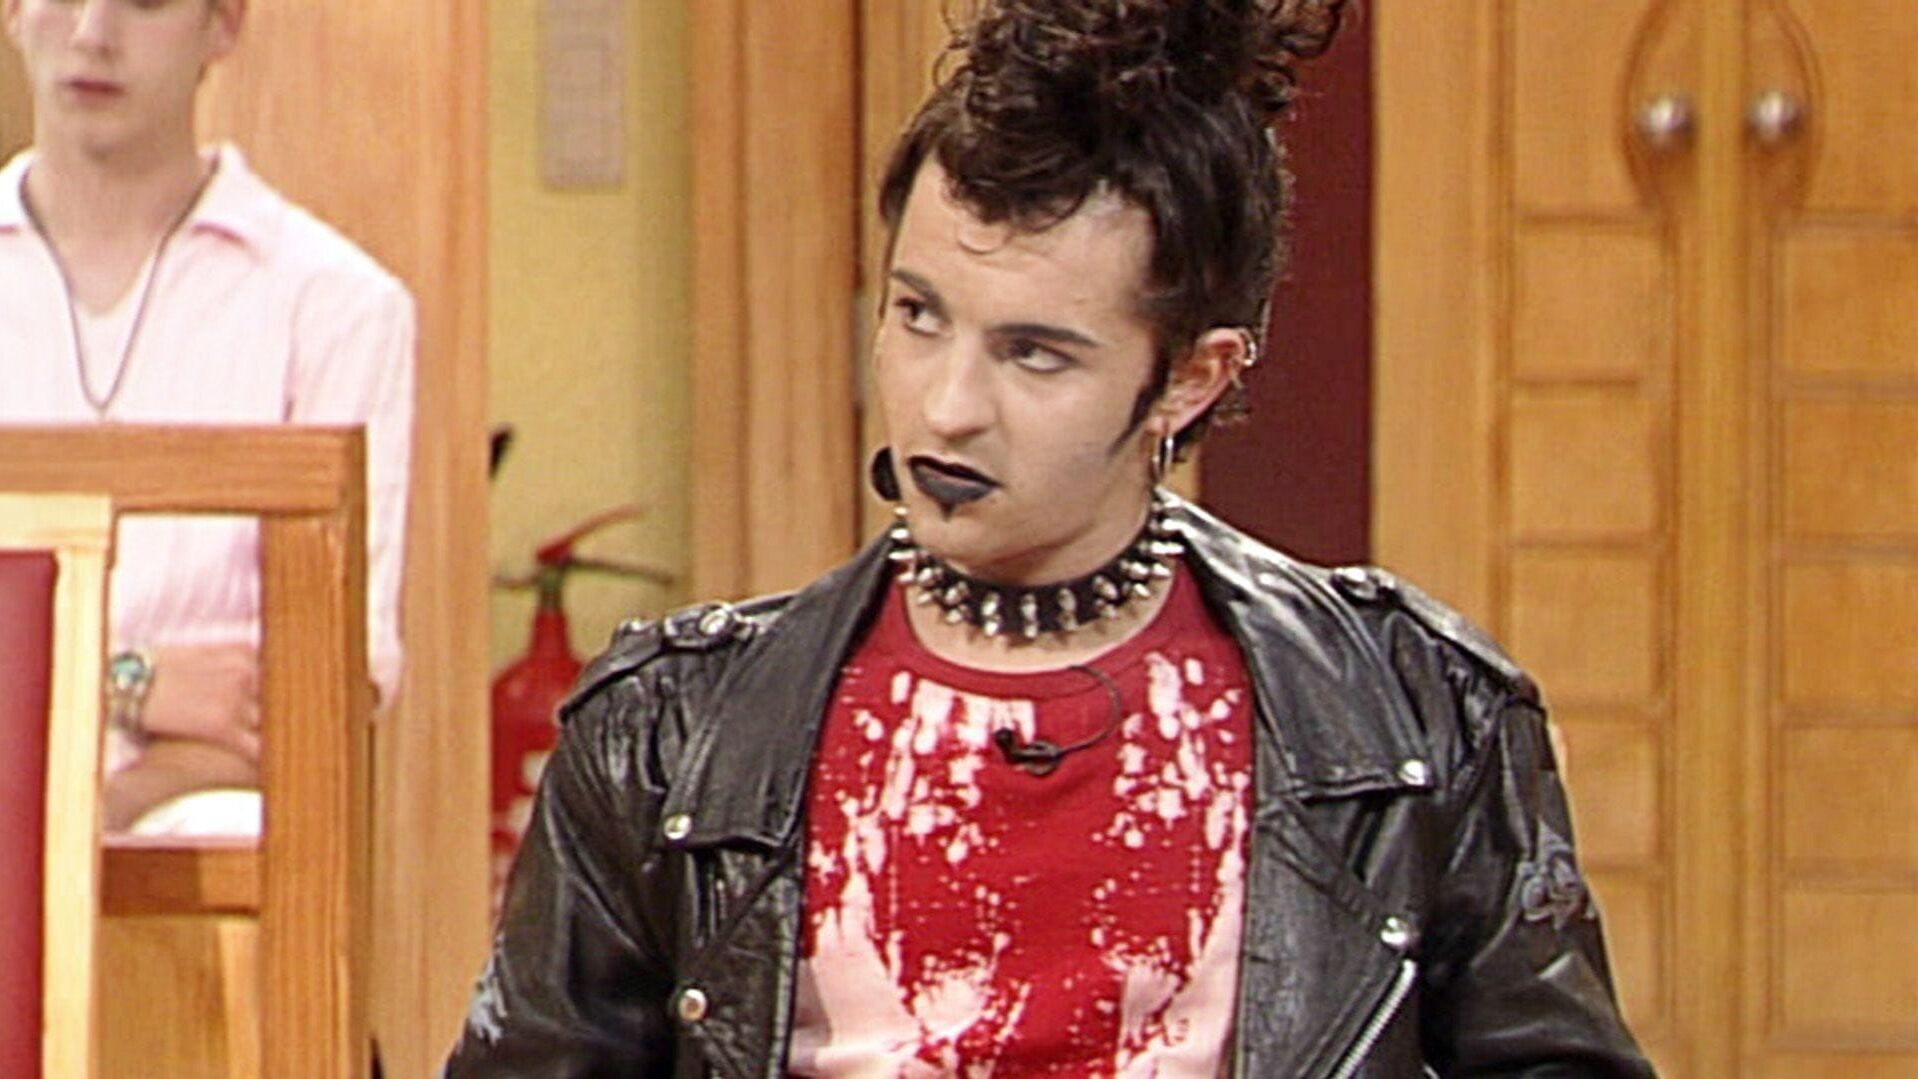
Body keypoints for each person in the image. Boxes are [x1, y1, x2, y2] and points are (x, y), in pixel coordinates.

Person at [448, 1, 1652, 1073]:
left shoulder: (1414, 716)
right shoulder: (667, 734)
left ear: (1189, 376)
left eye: (1033, 353)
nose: (946, 405)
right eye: (919, 314)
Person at [0, 0, 413, 834]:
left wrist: (83, 827)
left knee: (231, 819)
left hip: (196, 832)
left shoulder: (336, 306)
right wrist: (131, 681)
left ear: (223, 23)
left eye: (144, 1)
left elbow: (321, 683)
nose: (92, 34)